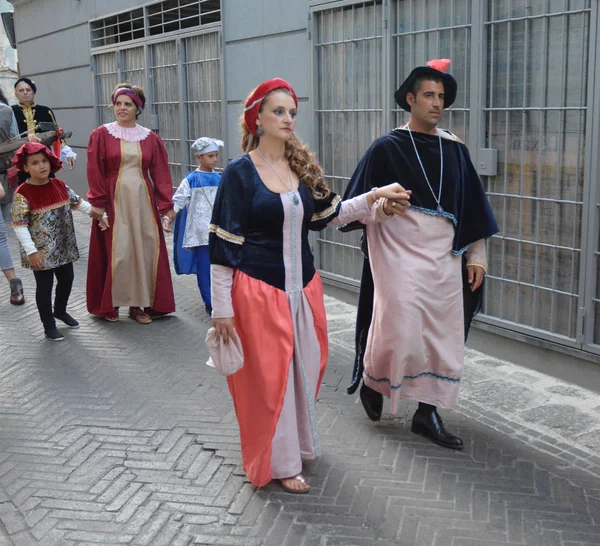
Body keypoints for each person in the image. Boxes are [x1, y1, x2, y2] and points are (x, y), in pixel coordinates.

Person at [209, 78, 410, 493]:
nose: (288, 119)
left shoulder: (299, 168)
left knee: (302, 371)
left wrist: (374, 197)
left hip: (304, 290)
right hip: (258, 292)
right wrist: (222, 308)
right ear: (257, 119)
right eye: (279, 111)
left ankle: (297, 446)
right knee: (269, 381)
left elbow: (332, 215)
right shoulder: (239, 174)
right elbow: (223, 248)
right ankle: (279, 463)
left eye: (292, 112)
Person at [341, 59, 499, 449]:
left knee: (442, 336)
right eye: (428, 95)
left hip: (444, 257)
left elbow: (473, 208)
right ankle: (375, 380)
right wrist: (381, 208)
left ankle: (428, 412)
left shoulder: (456, 151)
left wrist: (477, 255)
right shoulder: (386, 147)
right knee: (399, 327)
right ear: (410, 100)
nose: (437, 103)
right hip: (397, 253)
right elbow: (357, 208)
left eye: (441, 97)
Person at [86, 83, 176, 324]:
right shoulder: (101, 135)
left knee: (143, 250)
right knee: (119, 251)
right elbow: (95, 170)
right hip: (114, 200)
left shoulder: (150, 139)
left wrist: (166, 206)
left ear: (138, 109)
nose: (122, 108)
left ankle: (138, 306)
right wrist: (98, 202)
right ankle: (111, 303)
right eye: (118, 104)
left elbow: (161, 174)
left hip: (142, 201)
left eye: (128, 104)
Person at [10, 143, 108, 341]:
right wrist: (32, 251)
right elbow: (19, 226)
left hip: (63, 247)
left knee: (67, 279)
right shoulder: (23, 194)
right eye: (35, 163)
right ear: (26, 168)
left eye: (44, 161)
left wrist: (98, 215)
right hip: (41, 252)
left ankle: (60, 310)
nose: (42, 166)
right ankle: (49, 325)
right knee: (44, 288)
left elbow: (78, 203)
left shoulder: (59, 186)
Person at [165, 137, 224, 316]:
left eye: (216, 155)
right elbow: (179, 200)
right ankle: (209, 301)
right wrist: (168, 218)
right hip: (199, 232)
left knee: (220, 267)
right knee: (204, 267)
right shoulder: (191, 179)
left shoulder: (221, 178)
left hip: (218, 231)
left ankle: (222, 299)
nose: (215, 160)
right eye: (210, 156)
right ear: (199, 158)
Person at [12, 77, 77, 169]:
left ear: (33, 92)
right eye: (21, 90)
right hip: (20, 159)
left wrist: (67, 153)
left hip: (43, 156)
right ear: (16, 93)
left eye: (28, 90)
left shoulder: (45, 111)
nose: (25, 92)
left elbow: (57, 134)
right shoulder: (10, 112)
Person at [0, 95, 24, 305]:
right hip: (4, 180)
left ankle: (15, 283)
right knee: (0, 237)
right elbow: (15, 144)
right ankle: (14, 283)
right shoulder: (6, 110)